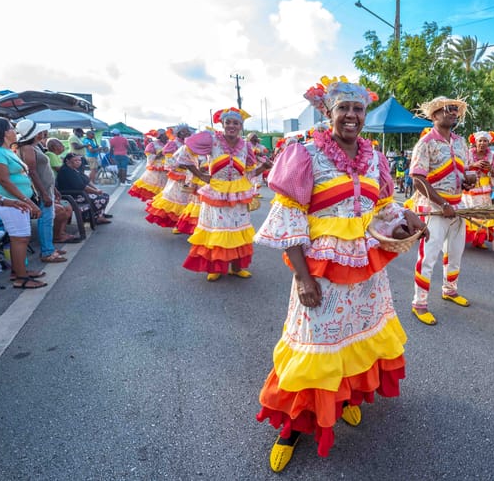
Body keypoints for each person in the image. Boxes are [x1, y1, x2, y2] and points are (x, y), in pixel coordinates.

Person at [253, 76, 425, 472]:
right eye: (343, 108)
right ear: (327, 113)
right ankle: (293, 428)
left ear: (365, 114)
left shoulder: (374, 158)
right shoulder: (305, 155)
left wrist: (407, 217)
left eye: (357, 109)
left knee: (351, 338)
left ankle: (342, 399)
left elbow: (382, 208)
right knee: (313, 345)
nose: (351, 115)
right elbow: (289, 218)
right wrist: (302, 277)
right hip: (321, 273)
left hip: (366, 272)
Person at [408, 96, 474, 325]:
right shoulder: (425, 143)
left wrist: (468, 182)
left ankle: (450, 290)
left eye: (455, 110)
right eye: (448, 109)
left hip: (458, 207)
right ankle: (419, 303)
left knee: (455, 253)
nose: (453, 113)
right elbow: (418, 180)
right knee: (428, 258)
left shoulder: (460, 142)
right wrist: (442, 204)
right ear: (434, 115)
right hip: (434, 210)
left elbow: (463, 173)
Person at [181, 108, 266, 281]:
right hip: (216, 193)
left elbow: (248, 174)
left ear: (241, 126)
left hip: (238, 195)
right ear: (222, 124)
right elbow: (184, 154)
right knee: (217, 230)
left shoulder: (246, 146)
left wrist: (264, 168)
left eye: (236, 123)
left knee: (238, 230)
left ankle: (236, 268)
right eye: (228, 122)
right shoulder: (212, 140)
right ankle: (216, 267)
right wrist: (200, 175)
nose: (231, 126)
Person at [0, 117, 46, 289]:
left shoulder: (5, 151)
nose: (15, 131)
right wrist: (28, 201)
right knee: (19, 237)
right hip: (8, 202)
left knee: (20, 237)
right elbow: (4, 181)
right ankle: (21, 278)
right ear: (4, 132)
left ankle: (19, 271)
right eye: (11, 128)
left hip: (17, 201)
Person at [15, 120, 67, 264]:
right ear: (35, 133)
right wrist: (44, 193)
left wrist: (53, 189)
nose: (43, 133)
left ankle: (49, 248)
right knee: (46, 220)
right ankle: (47, 252)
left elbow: (43, 170)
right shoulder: (27, 148)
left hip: (47, 188)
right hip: (41, 190)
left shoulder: (34, 146)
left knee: (48, 219)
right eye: (40, 131)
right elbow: (32, 172)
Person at [145, 125, 192, 230]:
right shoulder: (173, 144)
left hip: (191, 176)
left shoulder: (191, 143)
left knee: (189, 199)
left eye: (188, 132)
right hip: (178, 176)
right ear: (178, 133)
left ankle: (184, 223)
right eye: (183, 132)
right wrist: (182, 166)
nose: (186, 134)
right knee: (179, 199)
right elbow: (170, 162)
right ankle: (177, 224)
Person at [463, 131, 494, 248]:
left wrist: (490, 169)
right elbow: (459, 168)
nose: (482, 143)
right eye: (480, 140)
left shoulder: (492, 157)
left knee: (483, 214)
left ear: (489, 143)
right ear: (475, 142)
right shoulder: (467, 154)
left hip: (484, 190)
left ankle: (479, 240)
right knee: (469, 213)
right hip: (470, 188)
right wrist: (473, 165)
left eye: (485, 141)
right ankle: (463, 237)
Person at [56, 153, 112, 224]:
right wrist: (96, 192)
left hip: (79, 194)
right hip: (72, 196)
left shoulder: (75, 169)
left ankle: (99, 215)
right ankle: (96, 217)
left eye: (79, 160)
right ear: (68, 161)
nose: (78, 162)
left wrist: (96, 189)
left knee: (105, 195)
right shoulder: (66, 170)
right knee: (101, 198)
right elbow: (82, 186)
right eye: (75, 160)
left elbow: (87, 180)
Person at [128, 129, 169, 202]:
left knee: (167, 187)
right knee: (156, 186)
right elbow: (149, 156)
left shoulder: (170, 144)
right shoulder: (153, 144)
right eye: (165, 134)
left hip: (168, 168)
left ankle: (160, 202)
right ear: (161, 136)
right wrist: (159, 155)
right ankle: (155, 201)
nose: (167, 136)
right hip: (157, 169)